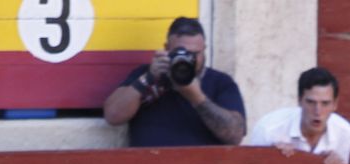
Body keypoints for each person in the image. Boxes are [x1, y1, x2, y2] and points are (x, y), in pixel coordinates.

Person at [102, 16, 246, 147]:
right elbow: (113, 116)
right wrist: (148, 78)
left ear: (204, 50)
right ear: (166, 49)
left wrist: (197, 98)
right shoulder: (146, 75)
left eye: (194, 54)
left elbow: (235, 136)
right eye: (180, 53)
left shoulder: (221, 82)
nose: (188, 60)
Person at [247, 67, 350, 164]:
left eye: (325, 103)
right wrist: (272, 157)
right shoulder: (268, 130)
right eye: (311, 102)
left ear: (335, 104)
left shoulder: (344, 132)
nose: (317, 111)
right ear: (299, 100)